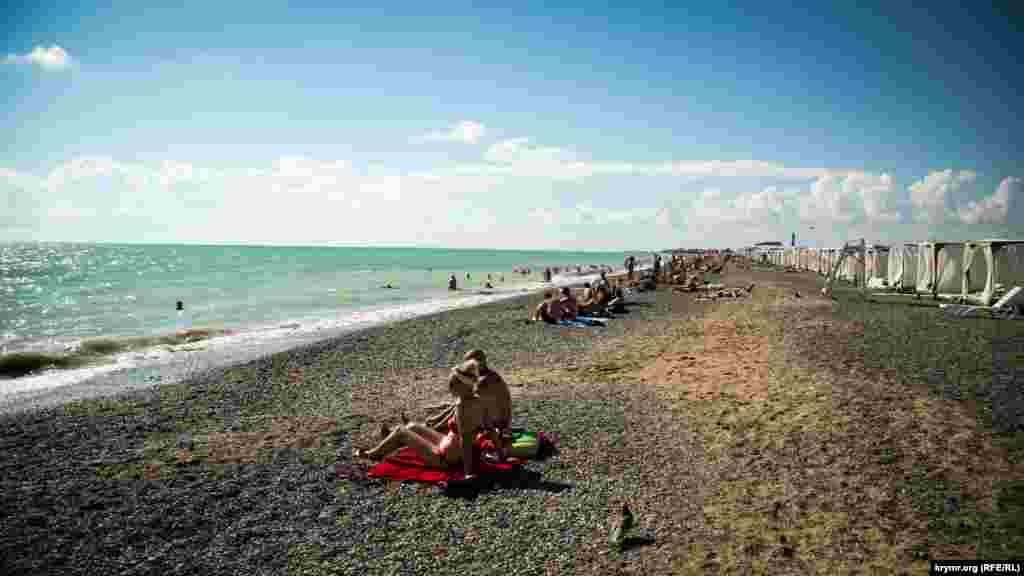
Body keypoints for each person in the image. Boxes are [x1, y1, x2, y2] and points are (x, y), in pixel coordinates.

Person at [355, 360, 491, 477]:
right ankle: (389, 442)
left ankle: (372, 454)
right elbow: (489, 427)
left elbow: (465, 440)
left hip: (445, 459)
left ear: (461, 386)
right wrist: (500, 452)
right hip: (448, 444)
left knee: (400, 431)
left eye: (451, 386)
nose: (449, 389)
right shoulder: (478, 400)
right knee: (412, 426)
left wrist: (468, 471)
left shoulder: (463, 407)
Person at [425, 349, 511, 435]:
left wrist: (457, 373)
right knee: (463, 403)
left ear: (478, 363)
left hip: (499, 422)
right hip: (491, 416)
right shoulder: (486, 375)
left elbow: (465, 400)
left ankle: (437, 426)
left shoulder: (488, 379)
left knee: (465, 405)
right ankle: (437, 424)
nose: (466, 367)